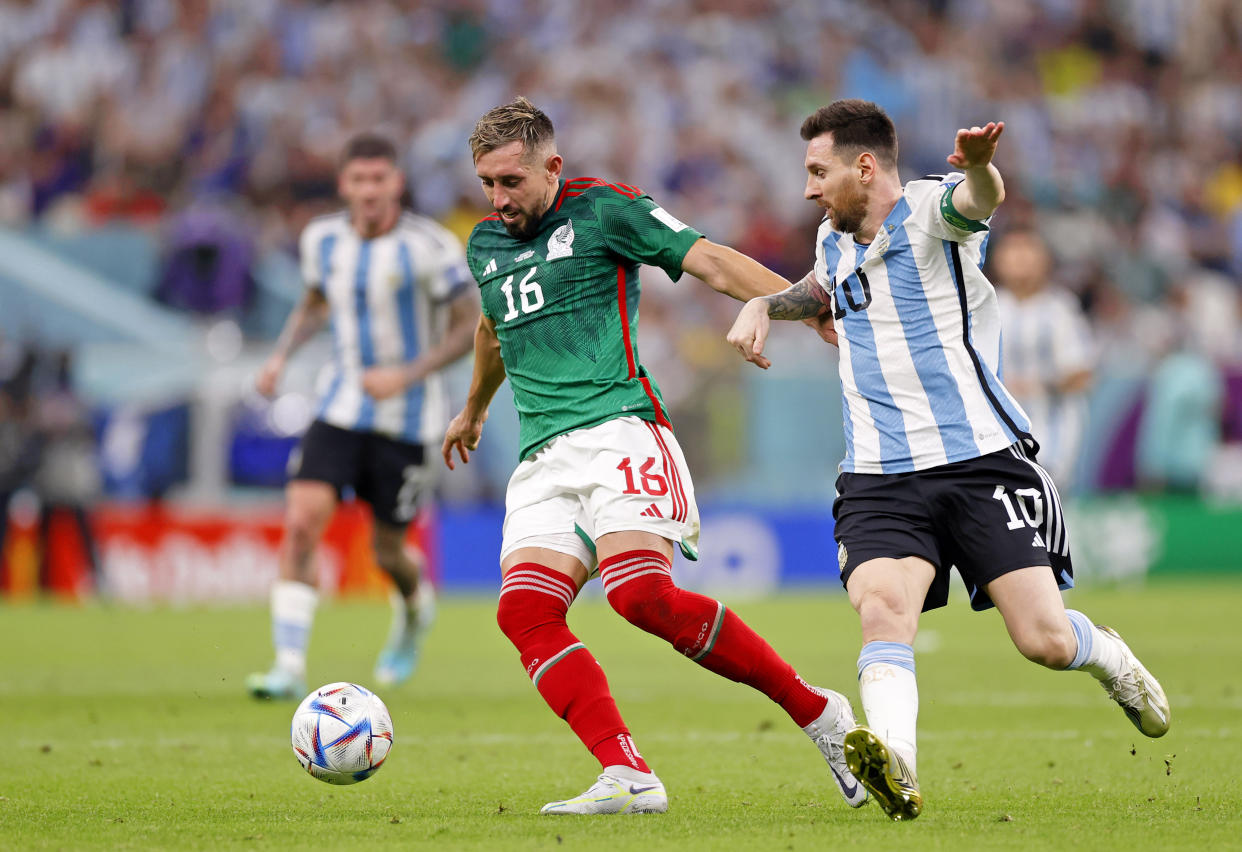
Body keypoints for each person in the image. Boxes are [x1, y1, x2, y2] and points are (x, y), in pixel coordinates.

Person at [726, 99, 1170, 821]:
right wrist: (764, 306)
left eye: (818, 170)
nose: (808, 187)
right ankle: (897, 762)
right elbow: (820, 289)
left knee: (1045, 641)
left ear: (864, 167)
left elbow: (978, 202)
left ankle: (1110, 657)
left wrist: (986, 168)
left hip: (979, 463)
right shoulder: (831, 239)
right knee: (883, 608)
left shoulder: (932, 210)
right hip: (877, 473)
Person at [436, 97, 865, 816]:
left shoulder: (608, 209)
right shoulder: (484, 244)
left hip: (619, 430)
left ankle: (818, 712)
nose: (498, 198)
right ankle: (628, 774)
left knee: (639, 597)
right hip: (542, 458)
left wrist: (809, 306)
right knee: (525, 614)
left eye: (511, 181)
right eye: (487, 182)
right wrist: (474, 410)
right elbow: (492, 328)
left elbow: (715, 264)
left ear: (553, 166)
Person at [246, 132, 478, 700]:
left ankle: (415, 613)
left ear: (396, 183)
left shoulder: (430, 246)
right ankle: (288, 665)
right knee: (302, 523)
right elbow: (315, 302)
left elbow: (470, 327)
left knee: (387, 552)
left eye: (380, 179)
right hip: (338, 407)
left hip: (409, 419)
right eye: (360, 180)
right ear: (344, 185)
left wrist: (408, 373)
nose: (370, 191)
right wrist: (280, 355)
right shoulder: (321, 239)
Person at [993, 228, 1095, 490]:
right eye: (1013, 250)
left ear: (1045, 260)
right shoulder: (986, 305)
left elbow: (1082, 373)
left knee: (1045, 515)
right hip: (996, 437)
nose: (1021, 258)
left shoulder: (1060, 308)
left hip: (1052, 434)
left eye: (1029, 250)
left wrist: (1038, 386)